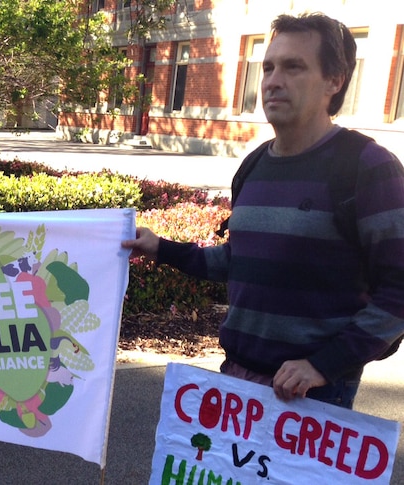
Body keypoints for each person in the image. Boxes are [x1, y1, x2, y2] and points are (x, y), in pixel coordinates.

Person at [122, 12, 404, 410]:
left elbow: (398, 290)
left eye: (293, 67)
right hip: (236, 383)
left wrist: (323, 366)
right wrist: (162, 249)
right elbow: (241, 261)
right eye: (268, 67)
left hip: (314, 396)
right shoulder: (254, 165)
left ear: (334, 81)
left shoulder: (367, 167)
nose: (272, 80)